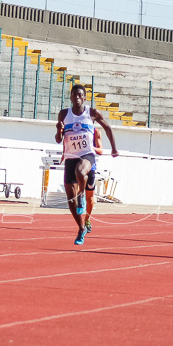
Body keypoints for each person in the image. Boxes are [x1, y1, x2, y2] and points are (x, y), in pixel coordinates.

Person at [55, 83, 119, 245]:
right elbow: (58, 139)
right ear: (70, 97)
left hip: (87, 155)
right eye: (74, 95)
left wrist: (114, 148)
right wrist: (58, 130)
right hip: (70, 157)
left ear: (84, 98)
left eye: (80, 95)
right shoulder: (63, 114)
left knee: (80, 171)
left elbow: (108, 127)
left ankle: (82, 196)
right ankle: (81, 228)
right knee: (70, 201)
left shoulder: (91, 113)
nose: (77, 98)